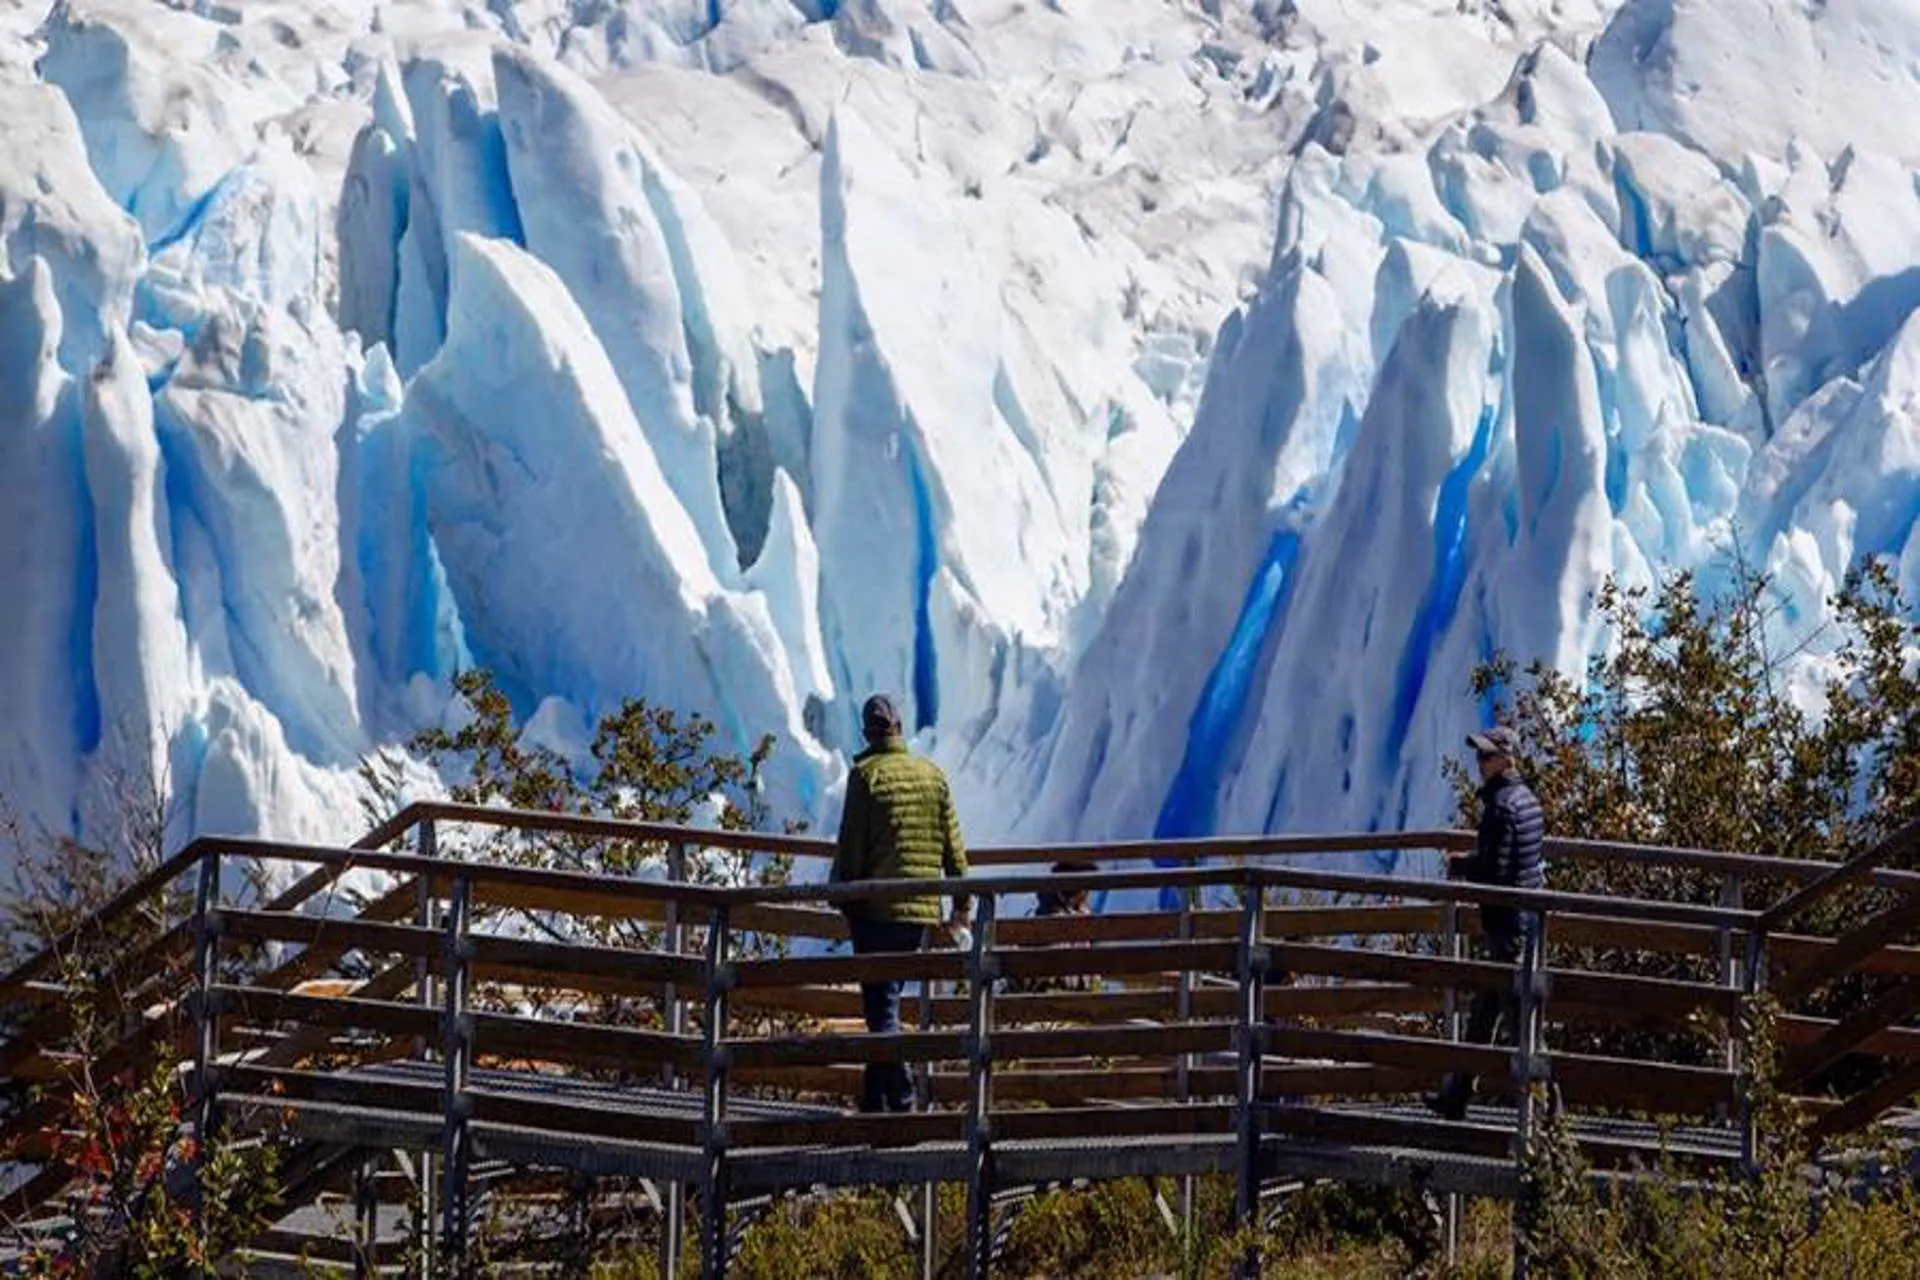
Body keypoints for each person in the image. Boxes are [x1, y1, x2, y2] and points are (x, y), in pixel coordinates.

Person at [829, 693, 971, 1113]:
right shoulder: (933, 775)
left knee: (881, 1009)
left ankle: (905, 1098)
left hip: (874, 911)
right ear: (901, 727)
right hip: (920, 915)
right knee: (884, 1003)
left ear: (866, 733)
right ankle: (874, 1106)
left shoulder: (865, 776)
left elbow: (851, 850)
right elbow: (955, 853)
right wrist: (961, 908)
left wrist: (842, 893)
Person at [1430, 724, 1546, 1121]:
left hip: (1506, 927)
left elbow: (1496, 871)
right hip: (1527, 924)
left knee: (1523, 1029)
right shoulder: (1528, 800)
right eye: (1479, 755)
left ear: (1507, 758)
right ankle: (1455, 1097)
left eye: (1486, 756)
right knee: (1484, 1015)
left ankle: (1550, 1121)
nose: (1479, 763)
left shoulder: (1501, 807)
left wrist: (1461, 865)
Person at [1011, 859, 1100, 995]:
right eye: (1088, 890)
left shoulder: (1035, 916)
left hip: (1032, 1001)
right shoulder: (1077, 923)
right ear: (1080, 892)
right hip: (1069, 999)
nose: (1089, 896)